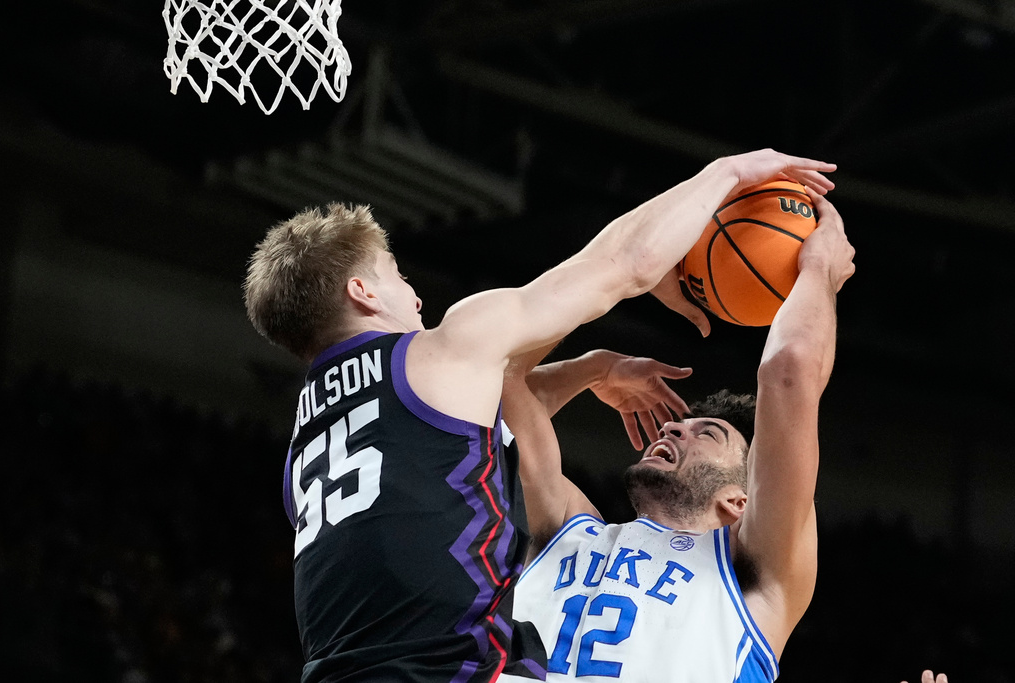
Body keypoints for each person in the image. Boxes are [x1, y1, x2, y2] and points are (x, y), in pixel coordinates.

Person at [242, 150, 837, 683]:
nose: (419, 299)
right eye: (398, 276)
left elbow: (498, 401)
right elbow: (620, 266)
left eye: (705, 433)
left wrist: (589, 368)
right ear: (363, 291)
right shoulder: (449, 359)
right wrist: (733, 179)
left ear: (740, 499)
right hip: (442, 668)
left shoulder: (308, 439)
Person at [498, 189, 855, 682]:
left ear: (740, 500)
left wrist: (819, 272)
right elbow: (504, 382)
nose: (672, 427)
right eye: (679, 424)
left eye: (706, 433)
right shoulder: (567, 529)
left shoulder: (755, 576)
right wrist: (591, 365)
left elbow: (789, 371)